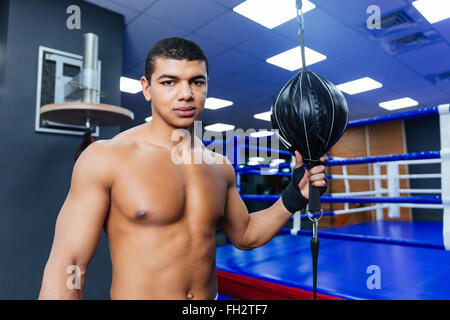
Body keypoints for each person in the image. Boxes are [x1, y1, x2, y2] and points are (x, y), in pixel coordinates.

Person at [38, 37, 328, 300]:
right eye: (169, 82)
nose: (186, 93)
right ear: (146, 88)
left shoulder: (218, 166)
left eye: (197, 82)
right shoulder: (106, 157)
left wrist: (294, 195)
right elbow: (69, 263)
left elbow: (246, 235)